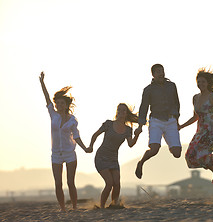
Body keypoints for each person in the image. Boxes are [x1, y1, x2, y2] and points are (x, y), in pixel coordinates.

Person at [39, 71, 89, 211]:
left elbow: (76, 136)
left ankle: (74, 207)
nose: (59, 105)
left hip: (70, 153)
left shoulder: (72, 120)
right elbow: (47, 98)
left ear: (66, 105)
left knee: (70, 182)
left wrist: (85, 148)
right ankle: (62, 208)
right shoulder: (53, 115)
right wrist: (42, 82)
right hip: (56, 154)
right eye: (58, 103)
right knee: (58, 183)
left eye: (62, 103)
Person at [87, 103, 141, 208]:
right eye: (119, 110)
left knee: (117, 183)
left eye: (123, 110)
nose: (121, 112)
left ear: (126, 113)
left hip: (113, 159)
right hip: (101, 157)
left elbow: (131, 144)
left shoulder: (128, 130)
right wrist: (90, 146)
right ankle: (101, 206)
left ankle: (114, 205)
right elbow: (95, 134)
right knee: (109, 183)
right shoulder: (108, 124)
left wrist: (137, 134)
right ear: (117, 112)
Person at [135, 64, 182, 179]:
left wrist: (177, 120)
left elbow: (177, 103)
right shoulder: (148, 90)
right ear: (153, 74)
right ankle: (141, 163)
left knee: (177, 153)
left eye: (162, 71)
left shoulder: (171, 86)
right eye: (158, 72)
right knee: (154, 149)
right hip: (156, 120)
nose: (161, 73)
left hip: (171, 120)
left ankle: (169, 140)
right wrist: (140, 125)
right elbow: (144, 107)